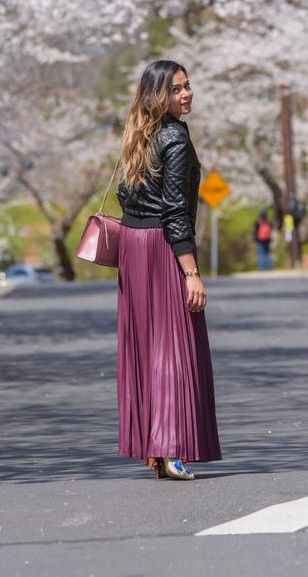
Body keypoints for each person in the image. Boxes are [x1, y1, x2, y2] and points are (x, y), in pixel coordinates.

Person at [116, 60, 222, 480]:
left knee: (145, 347)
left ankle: (153, 448)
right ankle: (172, 447)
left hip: (132, 247)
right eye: (178, 89)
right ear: (160, 95)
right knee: (175, 349)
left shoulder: (135, 137)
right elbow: (176, 212)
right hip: (162, 249)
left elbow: (128, 198)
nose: (187, 93)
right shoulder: (176, 138)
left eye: (188, 86)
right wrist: (191, 272)